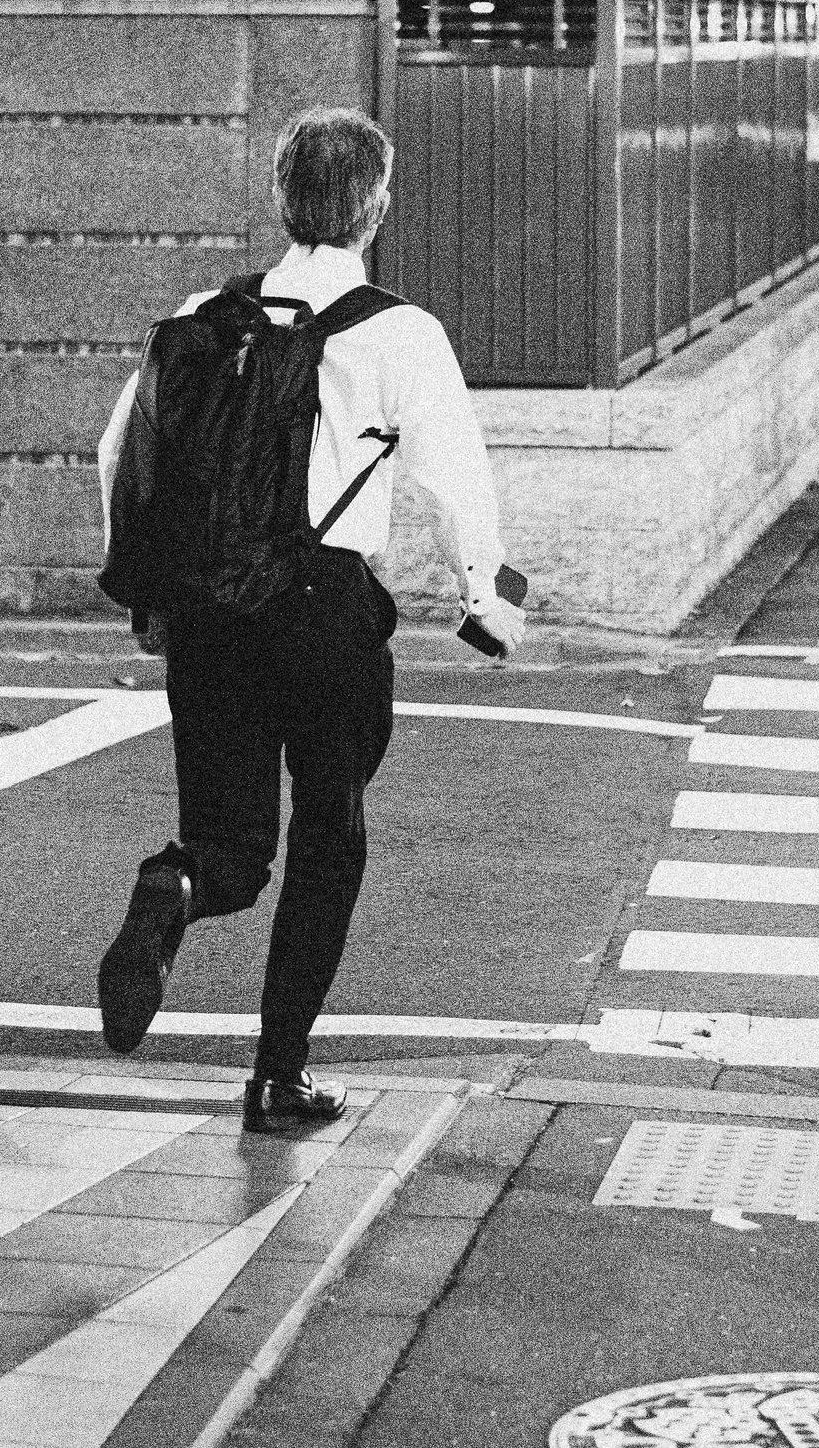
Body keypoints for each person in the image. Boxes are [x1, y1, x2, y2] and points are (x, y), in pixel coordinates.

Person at [92, 108, 525, 1134]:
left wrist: (152, 594)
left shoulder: (205, 311)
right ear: (374, 205)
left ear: (282, 197)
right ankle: (277, 1075)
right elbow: (456, 480)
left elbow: (121, 452)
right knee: (329, 836)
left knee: (231, 846)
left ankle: (173, 884)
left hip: (207, 608)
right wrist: (485, 599)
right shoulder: (400, 333)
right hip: (323, 608)